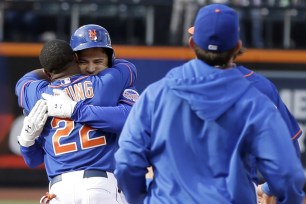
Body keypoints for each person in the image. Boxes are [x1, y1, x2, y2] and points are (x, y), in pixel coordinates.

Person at [114, 4, 305, 204]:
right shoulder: (256, 99)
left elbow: (127, 160)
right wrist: (271, 190)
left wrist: (143, 198)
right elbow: (288, 174)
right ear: (237, 47)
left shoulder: (157, 94)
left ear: (191, 43)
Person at [187, 25, 303, 204]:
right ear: (237, 46)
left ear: (193, 44)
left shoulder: (174, 88)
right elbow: (289, 159)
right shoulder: (260, 87)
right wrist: (267, 189)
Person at [15, 39, 137, 204]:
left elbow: (23, 82)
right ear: (76, 59)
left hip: (60, 192)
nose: (91, 67)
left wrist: (26, 142)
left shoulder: (37, 94)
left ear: (48, 71)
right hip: (100, 185)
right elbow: (128, 68)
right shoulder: (104, 84)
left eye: (97, 61)